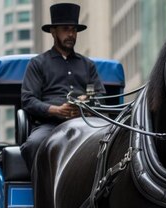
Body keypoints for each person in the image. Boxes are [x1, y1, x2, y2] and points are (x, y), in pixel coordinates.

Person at [20, 2, 105, 172]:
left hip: (86, 123)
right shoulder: (37, 63)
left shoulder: (88, 65)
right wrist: (55, 110)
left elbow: (101, 95)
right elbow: (28, 99)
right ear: (53, 32)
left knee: (111, 140)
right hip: (49, 126)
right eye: (66, 29)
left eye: (73, 30)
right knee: (32, 144)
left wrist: (87, 102)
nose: (71, 34)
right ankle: (39, 192)